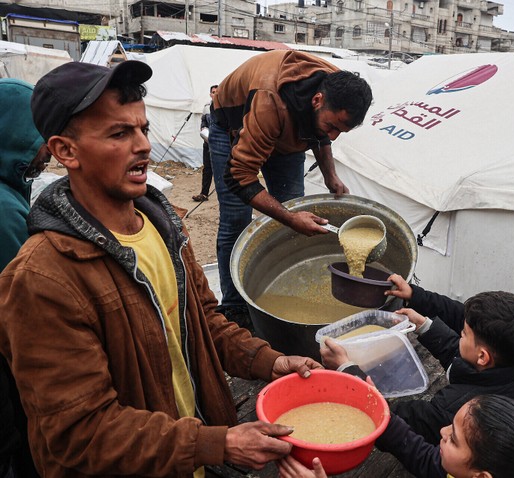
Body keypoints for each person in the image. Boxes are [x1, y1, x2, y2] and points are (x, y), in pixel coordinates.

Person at [0, 61, 322, 477]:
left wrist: (269, 361)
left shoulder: (161, 223)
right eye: (119, 133)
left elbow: (203, 319)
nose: (143, 146)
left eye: (143, 129)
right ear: (65, 151)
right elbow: (80, 433)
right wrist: (215, 443)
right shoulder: (42, 277)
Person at [209, 51, 373, 324]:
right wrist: (288, 217)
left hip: (288, 135)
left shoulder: (334, 86)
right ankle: (234, 307)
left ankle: (289, 279)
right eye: (332, 126)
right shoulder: (269, 101)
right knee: (236, 219)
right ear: (317, 101)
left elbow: (321, 134)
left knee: (294, 204)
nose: (332, 136)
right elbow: (239, 177)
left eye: (341, 132)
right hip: (233, 126)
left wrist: (330, 176)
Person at [322, 291, 514, 445]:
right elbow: (460, 356)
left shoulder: (458, 411)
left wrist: (347, 369)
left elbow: (388, 415)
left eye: (464, 334)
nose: (459, 337)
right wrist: (423, 325)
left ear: (483, 356)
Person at [277, 394, 514, 478]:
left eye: (454, 439)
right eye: (452, 425)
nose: (442, 431)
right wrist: (381, 415)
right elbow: (424, 458)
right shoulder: (463, 470)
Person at [0, 77, 49, 478]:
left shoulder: (9, 188)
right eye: (37, 139)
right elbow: (25, 301)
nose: (46, 150)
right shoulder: (3, 210)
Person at [192, 84, 217, 202]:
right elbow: (203, 122)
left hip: (220, 145)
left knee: (222, 169)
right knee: (207, 169)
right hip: (208, 143)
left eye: (217, 92)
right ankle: (204, 193)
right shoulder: (206, 107)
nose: (215, 94)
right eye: (213, 92)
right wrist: (203, 130)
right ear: (210, 94)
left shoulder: (224, 107)